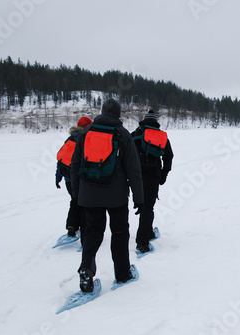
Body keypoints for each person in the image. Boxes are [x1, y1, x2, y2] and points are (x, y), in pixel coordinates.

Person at [70, 98, 144, 292]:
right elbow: (133, 170)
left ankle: (86, 270)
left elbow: (75, 165)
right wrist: (139, 198)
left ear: (102, 111)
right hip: (116, 197)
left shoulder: (86, 134)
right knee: (119, 233)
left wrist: (77, 195)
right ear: (118, 114)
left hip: (89, 195)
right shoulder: (123, 135)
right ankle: (122, 274)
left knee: (92, 232)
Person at [131, 110, 174, 255]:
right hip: (153, 176)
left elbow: (125, 155)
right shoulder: (161, 136)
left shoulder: (135, 134)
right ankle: (142, 242)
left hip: (135, 176)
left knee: (142, 205)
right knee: (148, 207)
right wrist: (163, 174)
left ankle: (147, 232)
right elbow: (169, 157)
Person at [55, 116, 92, 243]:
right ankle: (84, 230)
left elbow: (61, 161)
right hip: (81, 179)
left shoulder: (69, 139)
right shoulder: (86, 139)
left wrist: (58, 177)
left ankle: (72, 225)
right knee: (84, 204)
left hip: (68, 180)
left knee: (74, 201)